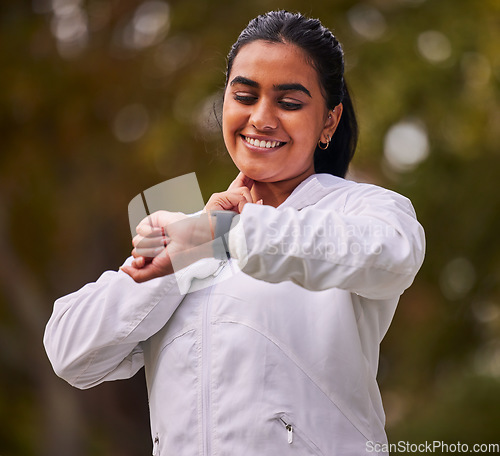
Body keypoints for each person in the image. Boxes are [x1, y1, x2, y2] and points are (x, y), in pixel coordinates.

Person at [44, 10, 425, 456]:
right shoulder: (190, 234)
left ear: (329, 121)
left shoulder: (364, 210)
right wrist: (191, 248)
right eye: (245, 95)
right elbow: (71, 350)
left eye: (289, 102)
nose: (261, 119)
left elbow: (391, 255)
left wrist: (228, 233)